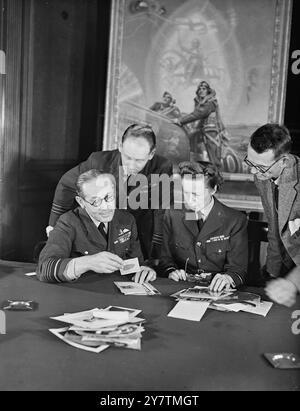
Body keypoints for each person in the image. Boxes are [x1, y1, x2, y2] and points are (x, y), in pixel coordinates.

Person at [47, 124, 173, 261]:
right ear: (120, 147)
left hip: (138, 227)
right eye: (128, 157)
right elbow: (66, 184)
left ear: (151, 154)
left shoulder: (162, 167)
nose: (131, 165)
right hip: (99, 228)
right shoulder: (99, 161)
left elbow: (161, 212)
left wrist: (157, 253)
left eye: (139, 161)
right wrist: (54, 224)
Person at [38, 169, 156, 283]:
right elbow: (44, 269)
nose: (105, 207)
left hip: (115, 293)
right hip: (81, 292)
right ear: (81, 202)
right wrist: (87, 262)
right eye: (95, 202)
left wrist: (143, 271)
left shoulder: (126, 219)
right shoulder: (68, 222)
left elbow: (135, 264)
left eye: (108, 197)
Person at [159, 161, 248, 292]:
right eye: (186, 193)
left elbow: (238, 270)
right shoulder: (172, 214)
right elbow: (165, 259)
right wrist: (172, 272)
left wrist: (228, 278)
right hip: (181, 288)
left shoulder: (234, 220)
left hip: (218, 290)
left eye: (196, 194)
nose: (190, 200)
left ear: (213, 189)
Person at [245, 123, 300, 306]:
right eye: (250, 162)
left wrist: (292, 282)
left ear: (283, 161)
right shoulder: (262, 175)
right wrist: (272, 273)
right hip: (283, 266)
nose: (253, 171)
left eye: (260, 167)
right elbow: (275, 225)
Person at [174, 81, 228, 167]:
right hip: (204, 131)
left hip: (211, 133)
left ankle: (216, 175)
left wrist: (180, 121)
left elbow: (197, 114)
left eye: (204, 89)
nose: (201, 90)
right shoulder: (203, 102)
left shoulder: (210, 103)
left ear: (208, 91)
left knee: (214, 159)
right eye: (200, 89)